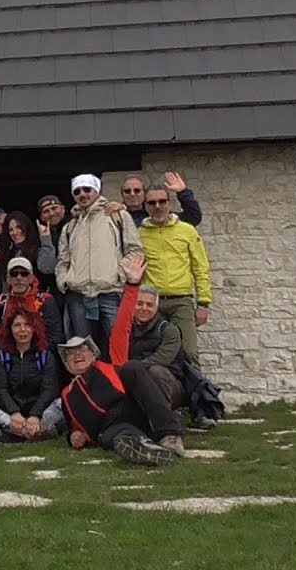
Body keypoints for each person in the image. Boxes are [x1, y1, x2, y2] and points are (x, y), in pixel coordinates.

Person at [57, 255, 186, 466]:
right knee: (117, 437)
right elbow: (72, 425)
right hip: (109, 430)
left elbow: (123, 325)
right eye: (70, 353)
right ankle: (146, 449)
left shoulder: (110, 367)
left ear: (94, 354)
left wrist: (133, 285)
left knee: (132, 367)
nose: (77, 354)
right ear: (67, 365)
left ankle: (169, 434)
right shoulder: (67, 395)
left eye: (82, 349)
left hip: (131, 410)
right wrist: (74, 438)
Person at [56, 173, 143, 359]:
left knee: (118, 346)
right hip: (79, 296)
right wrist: (64, 280)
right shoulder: (70, 226)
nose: (82, 194)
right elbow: (63, 260)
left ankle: (120, 386)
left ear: (96, 191)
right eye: (77, 191)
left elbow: (135, 250)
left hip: (110, 293)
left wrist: (118, 273)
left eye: (87, 189)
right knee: (83, 351)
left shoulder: (117, 216)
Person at [128, 286, 223, 429]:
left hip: (171, 386)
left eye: (149, 305)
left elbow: (162, 359)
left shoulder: (169, 330)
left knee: (156, 371)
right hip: (136, 380)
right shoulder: (125, 329)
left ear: (156, 308)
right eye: (140, 303)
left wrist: (131, 369)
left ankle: (163, 421)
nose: (144, 308)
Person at [138, 183, 213, 363]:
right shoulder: (139, 233)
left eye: (162, 201)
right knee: (155, 354)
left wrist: (203, 303)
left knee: (189, 353)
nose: (158, 206)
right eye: (152, 202)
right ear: (146, 206)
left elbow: (200, 267)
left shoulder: (187, 230)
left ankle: (196, 392)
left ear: (170, 203)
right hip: (151, 303)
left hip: (181, 301)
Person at [0, 308, 62, 442]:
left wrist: (35, 415)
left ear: (34, 328)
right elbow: (1, 389)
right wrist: (14, 413)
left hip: (40, 413)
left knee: (61, 403)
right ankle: (30, 433)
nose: (22, 330)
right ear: (10, 329)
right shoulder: (1, 357)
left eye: (27, 325)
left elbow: (49, 389)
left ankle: (24, 432)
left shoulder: (46, 356)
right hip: (11, 414)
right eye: (17, 325)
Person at [0, 258, 65, 353]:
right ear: (8, 279)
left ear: (31, 278)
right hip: (10, 358)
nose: (19, 278)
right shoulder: (0, 302)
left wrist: (37, 354)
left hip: (41, 356)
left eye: (24, 274)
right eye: (14, 274)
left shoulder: (45, 300)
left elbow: (56, 335)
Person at [123, 172, 202, 228]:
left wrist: (183, 192)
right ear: (122, 194)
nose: (132, 194)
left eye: (137, 190)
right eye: (127, 191)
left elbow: (193, 217)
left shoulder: (158, 214)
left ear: (144, 193)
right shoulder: (118, 216)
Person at [0, 210, 46, 282]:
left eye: (18, 227)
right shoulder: (8, 252)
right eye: (11, 230)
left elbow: (47, 268)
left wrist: (46, 240)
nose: (15, 232)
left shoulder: (38, 248)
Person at [35, 195, 68, 292]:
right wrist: (45, 239)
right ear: (42, 217)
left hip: (76, 287)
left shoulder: (76, 226)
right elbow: (46, 268)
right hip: (53, 290)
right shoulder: (39, 236)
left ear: (63, 209)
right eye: (46, 211)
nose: (52, 213)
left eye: (54, 208)